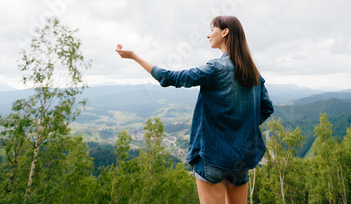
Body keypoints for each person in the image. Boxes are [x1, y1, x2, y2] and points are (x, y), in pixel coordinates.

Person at [115, 15, 274, 204]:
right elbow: (267, 108)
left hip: (213, 156)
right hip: (240, 160)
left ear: (225, 32)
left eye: (211, 29)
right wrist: (238, 128)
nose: (208, 35)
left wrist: (134, 56)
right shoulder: (253, 71)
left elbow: (170, 78)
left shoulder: (215, 68)